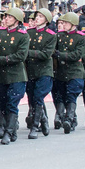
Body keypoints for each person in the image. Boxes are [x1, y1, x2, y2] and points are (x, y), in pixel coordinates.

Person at [0, 7, 30, 145]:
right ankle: (11, 129)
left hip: (16, 75)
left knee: (12, 103)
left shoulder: (22, 35)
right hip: (1, 75)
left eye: (9, 17)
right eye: (5, 17)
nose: (5, 19)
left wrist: (1, 59)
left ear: (16, 20)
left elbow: (21, 55)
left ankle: (8, 132)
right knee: (3, 104)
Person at [52, 12, 85, 134]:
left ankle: (69, 118)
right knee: (62, 96)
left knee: (71, 95)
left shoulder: (81, 37)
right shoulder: (59, 36)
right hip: (62, 72)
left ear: (73, 24)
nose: (63, 25)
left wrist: (60, 55)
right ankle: (71, 118)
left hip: (75, 71)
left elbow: (77, 55)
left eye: (65, 23)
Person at [25, 8, 57, 139]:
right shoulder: (29, 33)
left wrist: (28, 53)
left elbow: (46, 54)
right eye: (36, 16)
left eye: (40, 16)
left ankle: (35, 125)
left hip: (44, 70)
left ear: (46, 20)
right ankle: (43, 119)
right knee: (32, 98)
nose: (37, 18)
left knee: (38, 96)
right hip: (31, 70)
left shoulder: (51, 35)